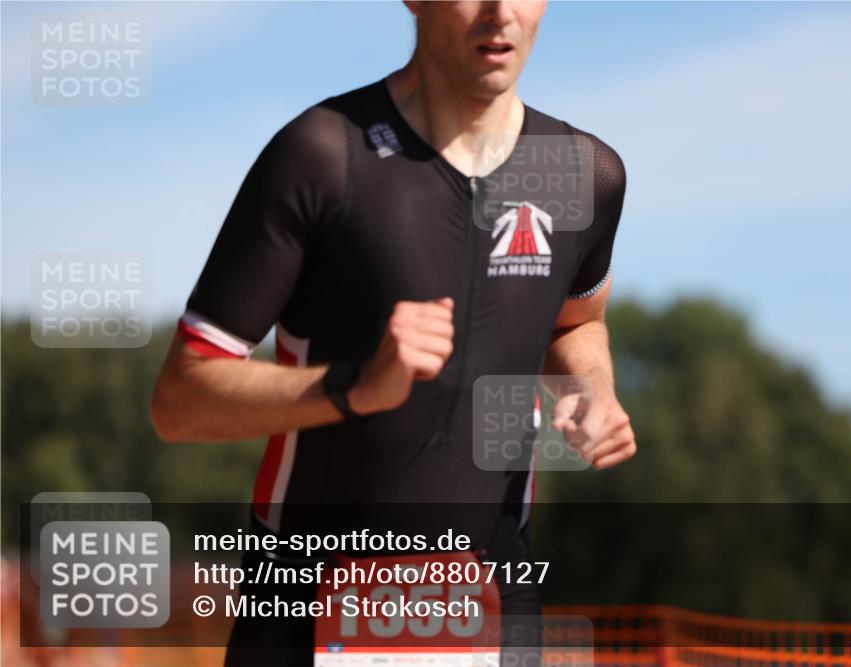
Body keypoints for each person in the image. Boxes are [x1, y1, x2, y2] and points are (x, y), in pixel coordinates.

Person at [150, 1, 636, 664]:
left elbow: (577, 320)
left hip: (494, 596)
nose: (500, 13)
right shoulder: (323, 153)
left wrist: (593, 390)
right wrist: (354, 386)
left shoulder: (585, 173)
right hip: (308, 603)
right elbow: (180, 400)